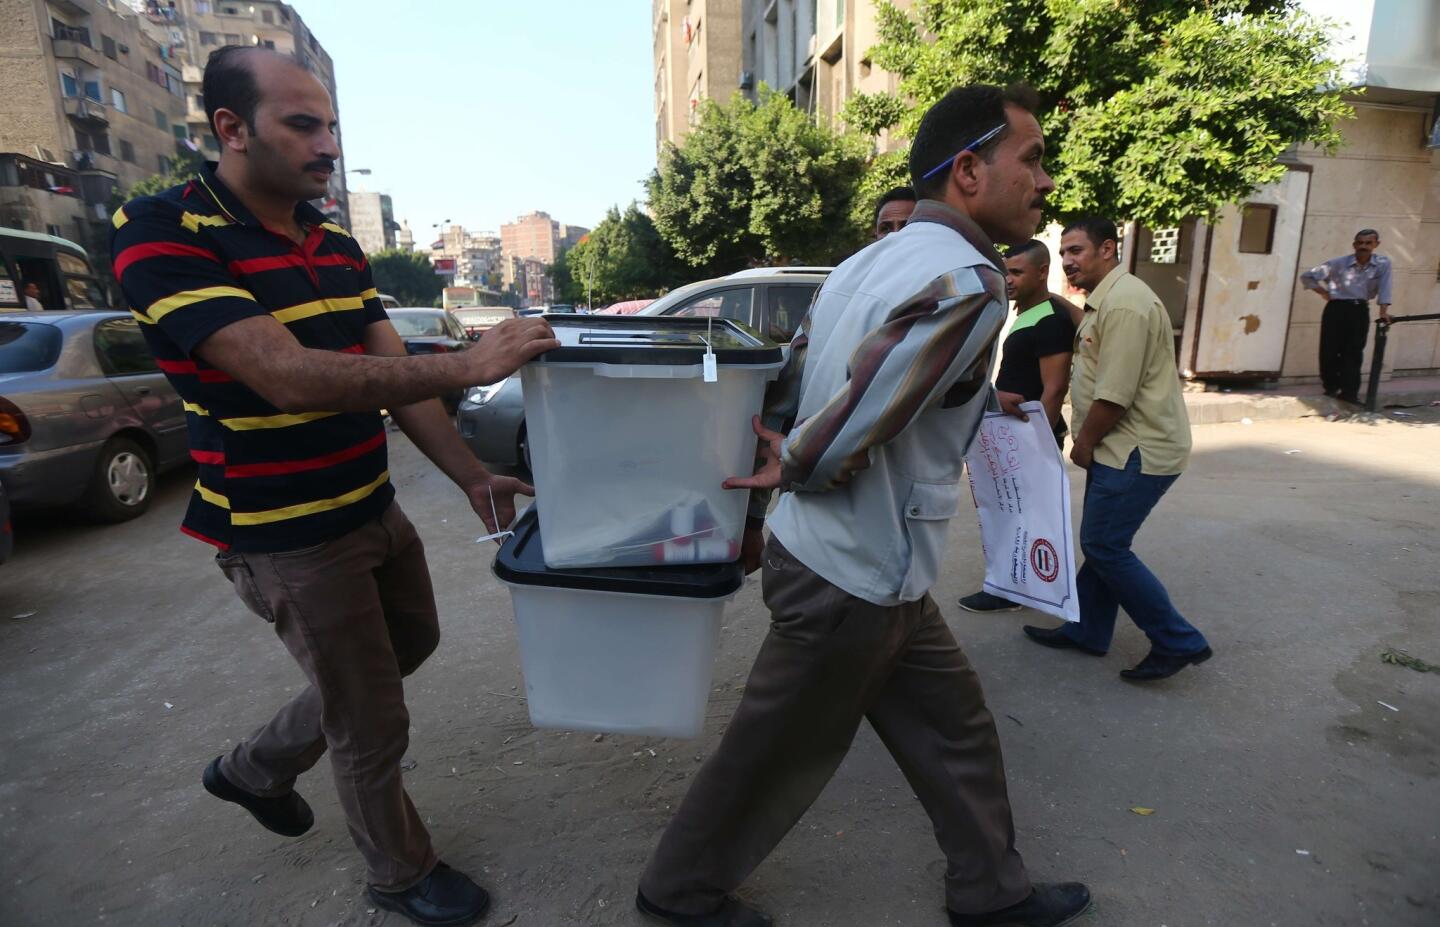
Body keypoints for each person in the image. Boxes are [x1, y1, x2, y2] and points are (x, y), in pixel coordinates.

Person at [110, 46, 558, 927]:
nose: (326, 145)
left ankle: (254, 767)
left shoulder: (334, 241)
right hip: (286, 530)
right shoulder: (162, 232)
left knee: (411, 644)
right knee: (369, 713)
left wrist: (471, 475)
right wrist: (472, 359)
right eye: (302, 124)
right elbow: (287, 376)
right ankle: (399, 874)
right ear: (231, 129)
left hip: (369, 506)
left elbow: (394, 379)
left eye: (331, 125)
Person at [635, 84, 1089, 927]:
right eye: (1031, 158)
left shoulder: (865, 262)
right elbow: (858, 415)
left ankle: (992, 890)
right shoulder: (970, 280)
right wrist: (799, 458)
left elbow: (804, 374)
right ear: (967, 170)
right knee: (773, 750)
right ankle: (678, 891)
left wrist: (785, 444)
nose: (1045, 180)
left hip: (871, 565)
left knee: (955, 731)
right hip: (851, 572)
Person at [1022, 217, 1211, 682]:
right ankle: (1087, 631)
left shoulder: (1124, 304)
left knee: (1105, 546)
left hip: (1135, 448)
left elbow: (1115, 394)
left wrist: (1083, 444)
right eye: (1063, 253)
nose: (1068, 260)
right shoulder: (1107, 300)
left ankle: (1176, 639)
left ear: (1109, 249)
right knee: (1104, 543)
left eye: (1077, 251)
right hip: (1125, 446)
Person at [958, 239, 1076, 614]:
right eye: (1006, 271)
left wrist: (1040, 443)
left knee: (1023, 517)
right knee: (1007, 513)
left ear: (1043, 272)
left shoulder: (1050, 320)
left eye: (1017, 272)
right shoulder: (1025, 314)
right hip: (1008, 433)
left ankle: (1010, 590)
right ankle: (1014, 586)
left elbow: (1055, 387)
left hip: (1029, 436)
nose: (1008, 280)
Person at [1299, 228, 1393, 403]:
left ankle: (1349, 393)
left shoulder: (1382, 263)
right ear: (1354, 244)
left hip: (1359, 310)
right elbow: (1307, 277)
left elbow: (1385, 287)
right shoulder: (1337, 263)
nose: (1363, 246)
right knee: (1329, 350)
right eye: (1360, 243)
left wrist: (1383, 312)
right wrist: (1324, 293)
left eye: (1368, 243)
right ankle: (1331, 387)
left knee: (1354, 351)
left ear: (1376, 244)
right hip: (1336, 308)